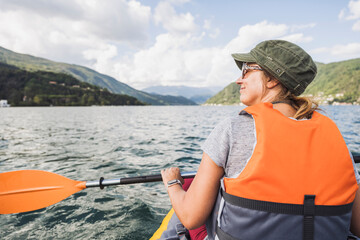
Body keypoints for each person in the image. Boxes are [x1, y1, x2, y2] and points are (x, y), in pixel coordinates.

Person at [160, 39, 360, 240]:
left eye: (247, 70)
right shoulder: (335, 138)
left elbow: (191, 217)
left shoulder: (232, 129)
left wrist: (172, 183)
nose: (239, 80)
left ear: (272, 79)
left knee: (187, 190)